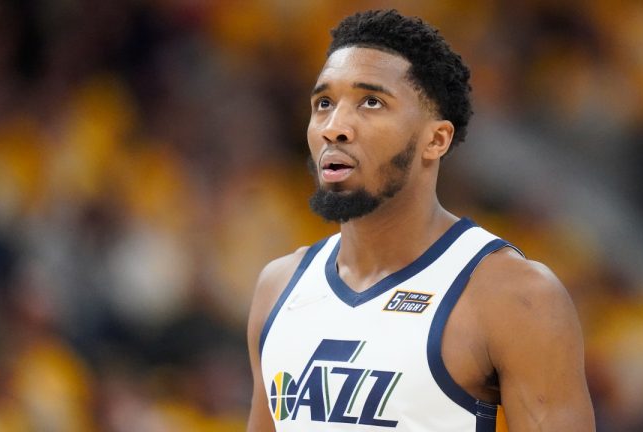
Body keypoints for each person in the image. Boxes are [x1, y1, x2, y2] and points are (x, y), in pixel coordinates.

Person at [247, 9, 595, 431]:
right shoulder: (278, 289)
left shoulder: (515, 296)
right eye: (324, 103)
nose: (334, 127)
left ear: (436, 139)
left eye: (370, 102)